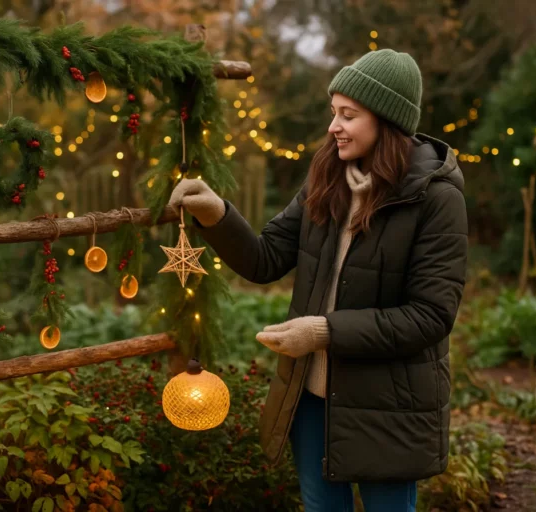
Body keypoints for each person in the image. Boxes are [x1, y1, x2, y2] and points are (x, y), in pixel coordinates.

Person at [168, 49, 468, 511]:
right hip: (310, 399)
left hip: (388, 408)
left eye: (349, 115)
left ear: (387, 122)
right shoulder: (326, 178)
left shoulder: (437, 199)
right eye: (334, 113)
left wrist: (323, 332)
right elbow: (265, 259)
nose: (334, 127)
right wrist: (217, 214)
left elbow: (429, 317)